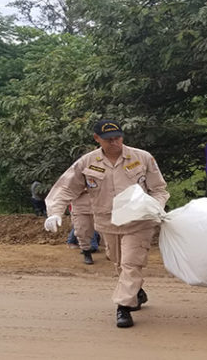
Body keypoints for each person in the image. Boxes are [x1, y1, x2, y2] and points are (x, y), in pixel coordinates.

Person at [44, 119, 169, 328]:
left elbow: (159, 189)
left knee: (131, 262)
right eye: (109, 139)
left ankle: (123, 307)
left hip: (139, 221)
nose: (115, 143)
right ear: (97, 139)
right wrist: (54, 212)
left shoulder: (142, 158)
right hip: (107, 222)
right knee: (119, 262)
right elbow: (66, 188)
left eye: (118, 138)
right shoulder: (87, 162)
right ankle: (136, 291)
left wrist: (156, 206)